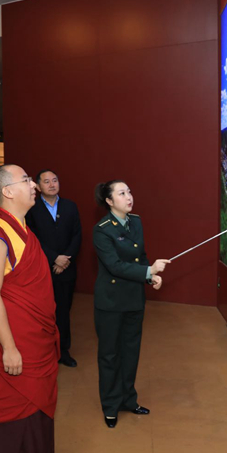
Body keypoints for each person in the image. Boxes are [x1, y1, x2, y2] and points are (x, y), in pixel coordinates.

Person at [0, 165, 58, 453]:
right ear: (7, 191)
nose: (34, 185)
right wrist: (8, 348)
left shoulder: (22, 227)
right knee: (10, 415)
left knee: (37, 410)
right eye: (26, 180)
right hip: (11, 341)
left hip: (35, 338)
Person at [92, 180, 169, 428]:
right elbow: (114, 266)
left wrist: (150, 277)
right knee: (110, 355)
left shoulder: (136, 222)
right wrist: (148, 271)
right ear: (109, 201)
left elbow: (140, 256)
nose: (129, 197)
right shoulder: (102, 230)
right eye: (122, 193)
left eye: (129, 192)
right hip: (111, 302)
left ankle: (128, 399)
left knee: (130, 352)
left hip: (134, 299)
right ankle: (110, 406)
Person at [26, 170, 82, 368]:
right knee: (43, 312)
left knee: (64, 312)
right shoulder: (31, 208)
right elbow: (31, 238)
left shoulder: (70, 206)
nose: (52, 184)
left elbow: (77, 235)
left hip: (66, 268)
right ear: (38, 186)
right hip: (42, 269)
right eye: (47, 181)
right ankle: (45, 350)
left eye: (55, 180)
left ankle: (63, 350)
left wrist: (64, 259)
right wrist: (54, 258)